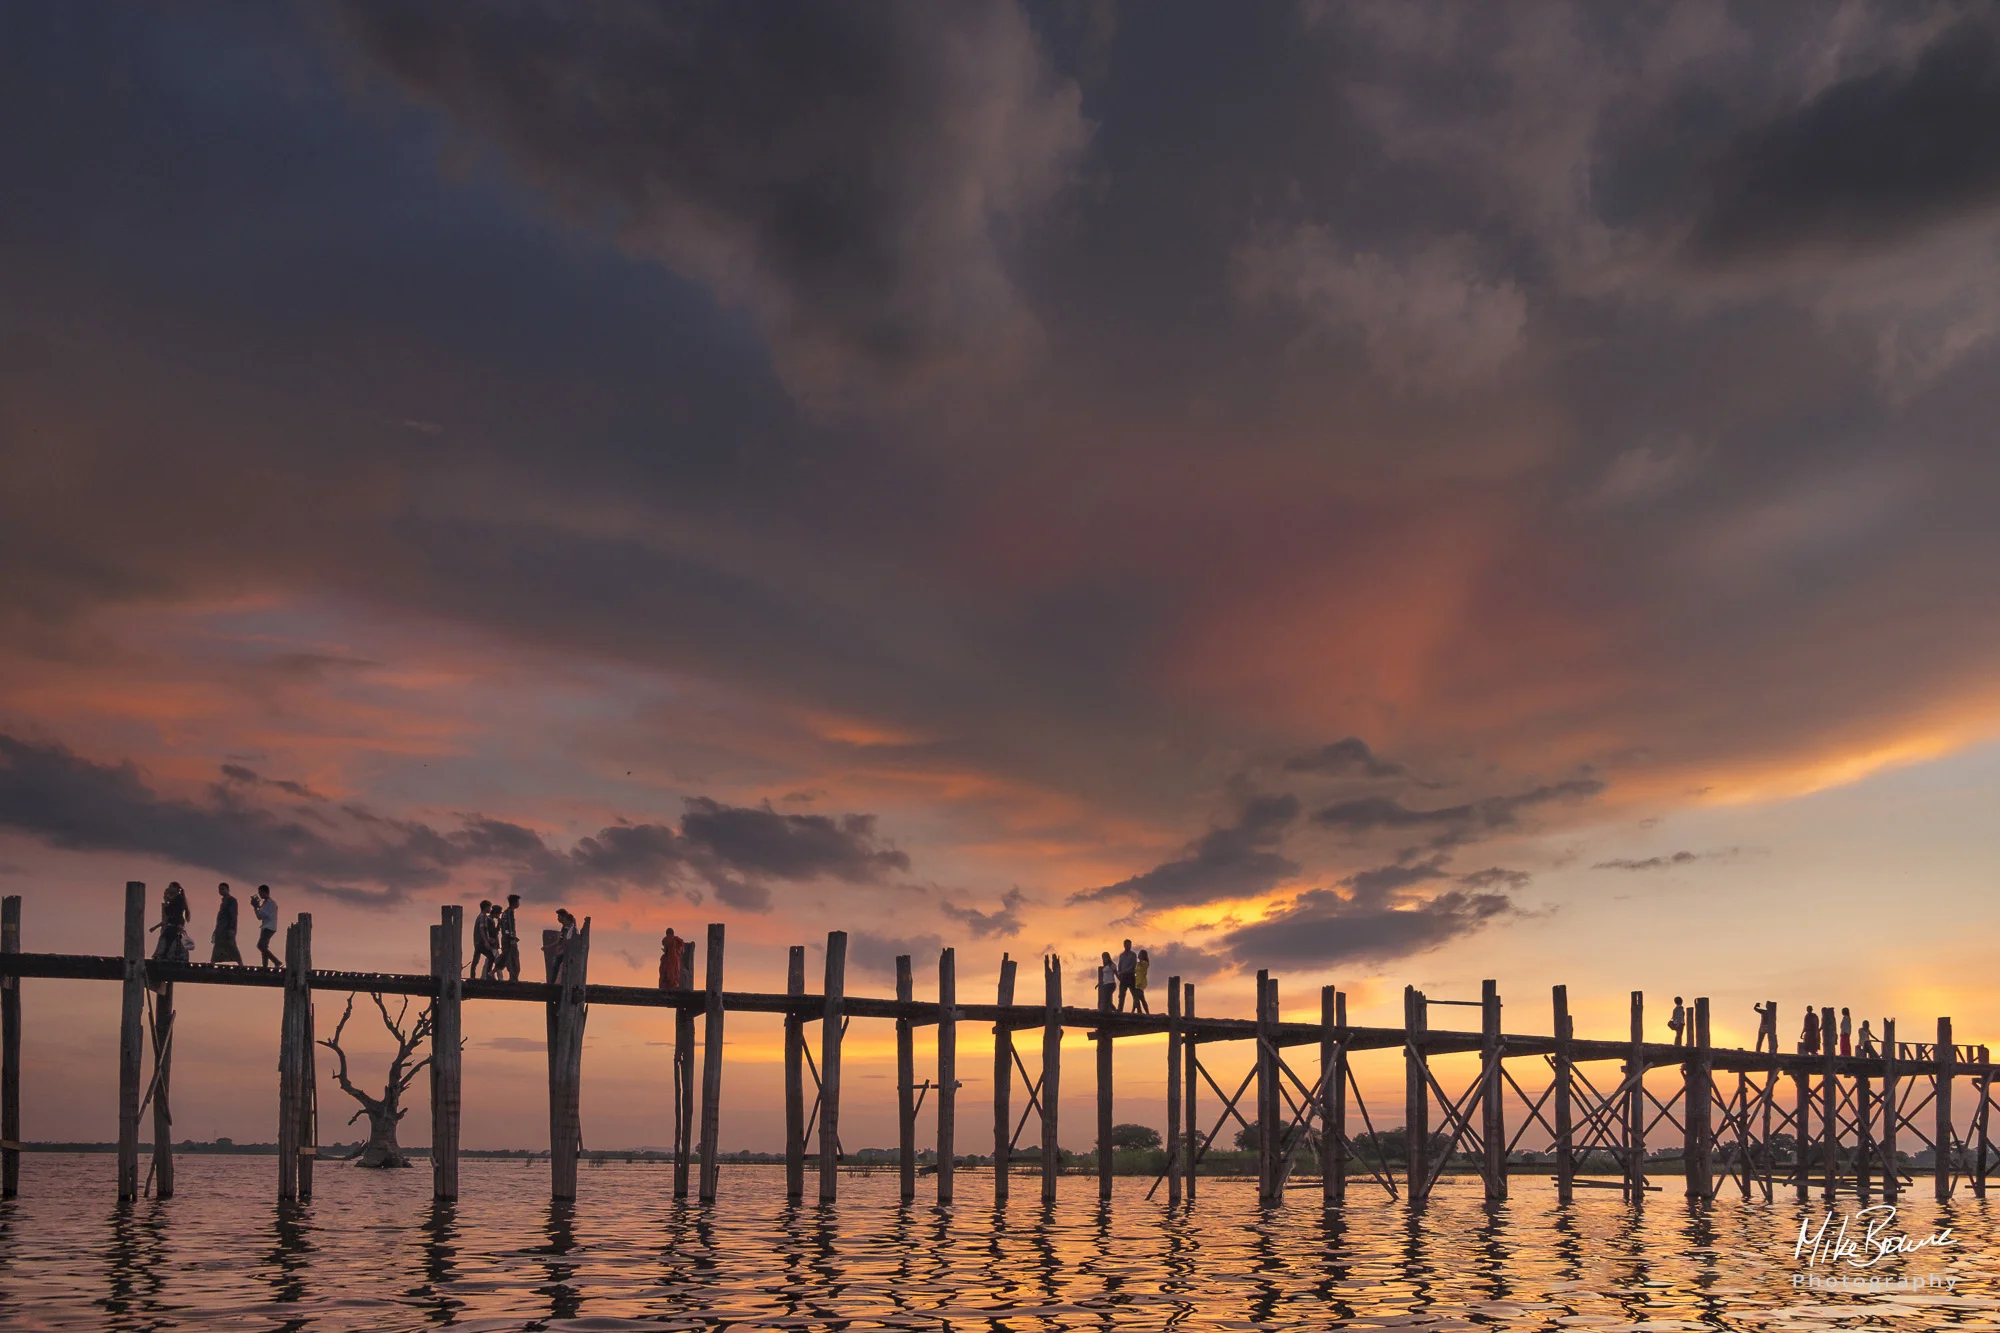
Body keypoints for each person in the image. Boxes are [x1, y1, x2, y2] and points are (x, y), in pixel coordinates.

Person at [150, 883, 192, 966]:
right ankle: (164, 955)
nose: (169, 888)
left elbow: (177, 913)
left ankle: (165, 955)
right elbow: (168, 915)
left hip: (176, 924)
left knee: (168, 939)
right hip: (173, 923)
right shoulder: (175, 900)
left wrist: (179, 924)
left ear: (176, 888)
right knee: (166, 938)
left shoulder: (179, 899)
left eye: (171, 887)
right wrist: (167, 901)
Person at [210, 882, 242, 965]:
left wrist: (231, 928)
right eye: (219, 889)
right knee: (218, 945)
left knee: (231, 945)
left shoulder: (232, 900)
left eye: (222, 889)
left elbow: (233, 914)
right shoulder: (224, 901)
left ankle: (240, 963)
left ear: (227, 890)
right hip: (221, 928)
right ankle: (212, 962)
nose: (221, 891)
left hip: (227, 928)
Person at [253, 885, 281, 969]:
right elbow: (259, 917)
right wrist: (255, 908)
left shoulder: (271, 903)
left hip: (270, 927)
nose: (260, 895)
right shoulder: (264, 903)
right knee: (263, 947)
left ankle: (277, 962)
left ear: (265, 892)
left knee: (260, 945)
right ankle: (264, 966)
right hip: (265, 926)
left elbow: (268, 916)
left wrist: (258, 907)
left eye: (260, 892)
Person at [497, 894, 522, 982]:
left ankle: (513, 978)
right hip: (509, 940)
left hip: (510, 939)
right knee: (511, 959)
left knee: (512, 959)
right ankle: (513, 979)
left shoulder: (509, 913)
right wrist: (511, 938)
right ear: (514, 903)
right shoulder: (507, 913)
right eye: (518, 902)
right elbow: (507, 928)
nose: (519, 904)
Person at [470, 899, 496, 978]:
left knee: (475, 960)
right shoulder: (483, 917)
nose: (490, 909)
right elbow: (482, 930)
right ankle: (488, 976)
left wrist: (488, 939)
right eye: (489, 907)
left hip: (477, 942)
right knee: (491, 957)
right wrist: (486, 941)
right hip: (480, 942)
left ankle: (472, 977)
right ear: (485, 907)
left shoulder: (480, 916)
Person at [552, 908, 578, 981]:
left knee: (558, 967)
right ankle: (554, 982)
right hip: (562, 951)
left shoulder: (570, 929)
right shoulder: (565, 927)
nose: (558, 919)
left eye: (559, 917)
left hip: (564, 952)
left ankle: (553, 983)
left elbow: (565, 941)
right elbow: (560, 940)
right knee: (557, 967)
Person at [1115, 938, 1138, 1013]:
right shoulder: (1121, 955)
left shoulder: (1133, 955)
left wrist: (1124, 971)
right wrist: (1119, 973)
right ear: (1124, 945)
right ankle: (1120, 1009)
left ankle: (1138, 1009)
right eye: (1127, 944)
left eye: (1129, 945)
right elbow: (1119, 965)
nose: (1128, 946)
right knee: (1121, 994)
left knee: (1134, 994)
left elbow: (1133, 965)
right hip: (1123, 977)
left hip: (1131, 976)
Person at [1131, 948, 1151, 1015]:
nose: (1138, 955)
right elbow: (1135, 970)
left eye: (1140, 954)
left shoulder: (1144, 963)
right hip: (1137, 981)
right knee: (1138, 997)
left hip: (1141, 981)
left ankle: (1135, 1011)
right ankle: (1137, 1011)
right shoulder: (1138, 964)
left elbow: (1141, 965)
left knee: (1138, 998)